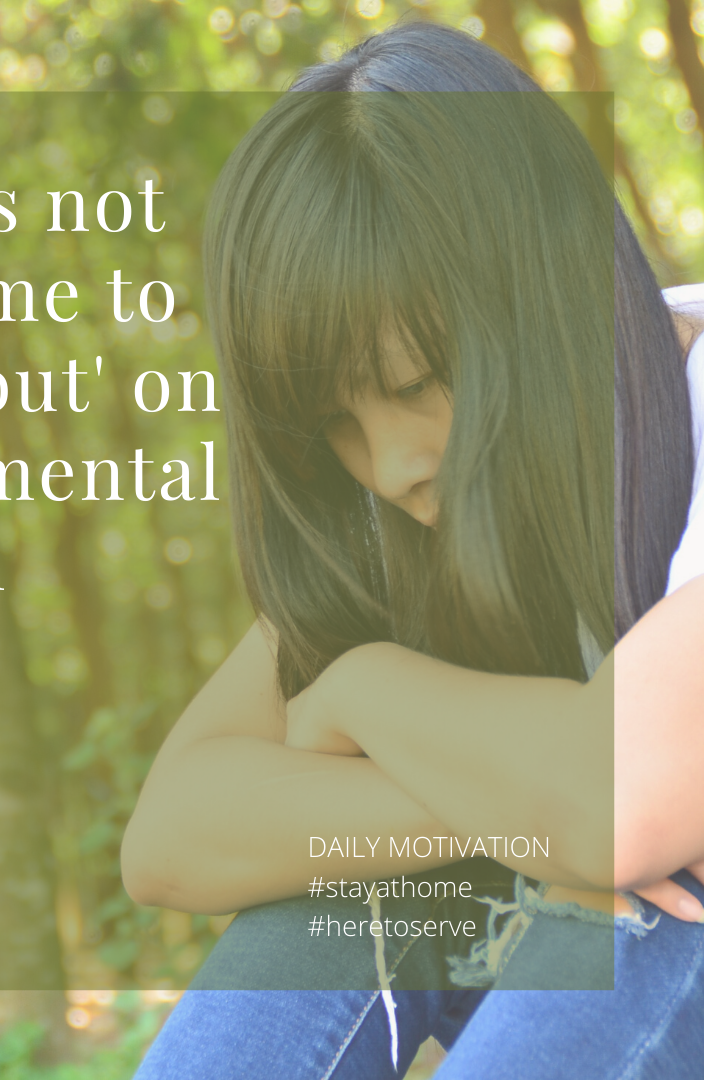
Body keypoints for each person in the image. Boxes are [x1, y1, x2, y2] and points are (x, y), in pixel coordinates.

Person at [120, 22, 704, 1079]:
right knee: (341, 896)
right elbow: (173, 835)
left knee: (639, 899)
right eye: (335, 423)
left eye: (414, 383)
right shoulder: (405, 508)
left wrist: (365, 686)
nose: (388, 466)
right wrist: (519, 805)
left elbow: (621, 810)